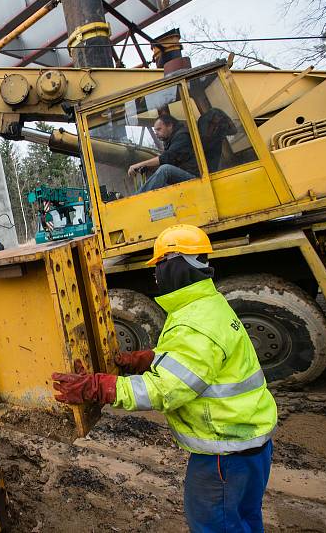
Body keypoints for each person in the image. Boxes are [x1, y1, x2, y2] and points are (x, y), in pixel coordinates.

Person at [51, 224, 277, 532]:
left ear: (175, 264)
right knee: (244, 518)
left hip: (225, 453)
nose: (155, 274)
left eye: (159, 265)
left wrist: (99, 387)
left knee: (216, 524)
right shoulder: (207, 305)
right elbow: (201, 364)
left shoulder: (194, 323)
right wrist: (154, 358)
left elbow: (164, 390)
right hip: (249, 443)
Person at [128, 115, 200, 192]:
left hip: (196, 177)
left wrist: (139, 164)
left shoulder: (182, 136)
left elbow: (168, 157)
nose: (156, 133)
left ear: (169, 126)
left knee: (165, 169)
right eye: (155, 131)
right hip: (185, 175)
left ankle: (139, 199)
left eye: (159, 129)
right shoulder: (171, 140)